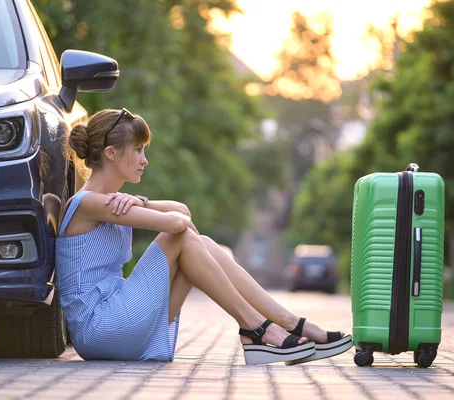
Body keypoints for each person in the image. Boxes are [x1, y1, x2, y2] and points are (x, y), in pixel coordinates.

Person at [55, 108, 352, 365]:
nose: (145, 160)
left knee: (205, 244)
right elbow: (177, 224)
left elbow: (182, 211)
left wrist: (141, 201)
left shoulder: (114, 202)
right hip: (101, 327)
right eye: (138, 150)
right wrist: (144, 206)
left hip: (117, 321)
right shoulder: (90, 202)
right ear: (111, 154)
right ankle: (257, 326)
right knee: (181, 237)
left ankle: (285, 322)